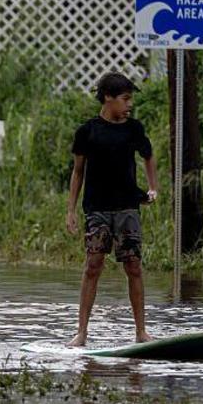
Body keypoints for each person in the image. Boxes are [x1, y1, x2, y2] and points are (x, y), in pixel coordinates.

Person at [65, 72, 158, 347]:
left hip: (128, 207)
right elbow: (78, 172)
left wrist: (153, 188)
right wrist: (70, 210)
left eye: (131, 99)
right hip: (97, 209)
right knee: (93, 265)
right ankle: (81, 332)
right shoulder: (87, 132)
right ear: (108, 98)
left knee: (134, 266)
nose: (129, 105)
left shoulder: (133, 129)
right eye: (125, 99)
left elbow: (148, 156)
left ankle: (141, 331)